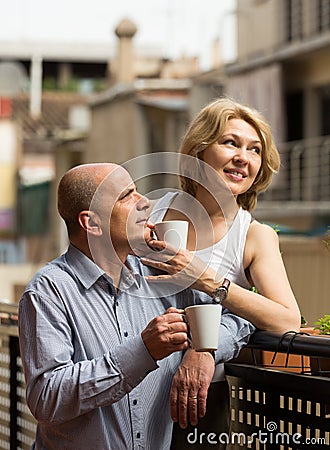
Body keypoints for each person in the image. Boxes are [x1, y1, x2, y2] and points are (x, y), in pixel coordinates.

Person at [18, 162, 255, 450]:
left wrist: (204, 348)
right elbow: (47, 399)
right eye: (127, 195)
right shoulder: (48, 291)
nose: (145, 202)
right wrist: (143, 351)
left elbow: (239, 316)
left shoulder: (163, 272)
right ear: (91, 223)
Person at [142, 97, 302, 449]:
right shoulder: (152, 212)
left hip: (196, 403)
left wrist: (207, 281)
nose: (244, 157)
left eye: (255, 150)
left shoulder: (254, 235)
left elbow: (287, 319)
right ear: (198, 152)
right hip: (129, 392)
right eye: (230, 142)